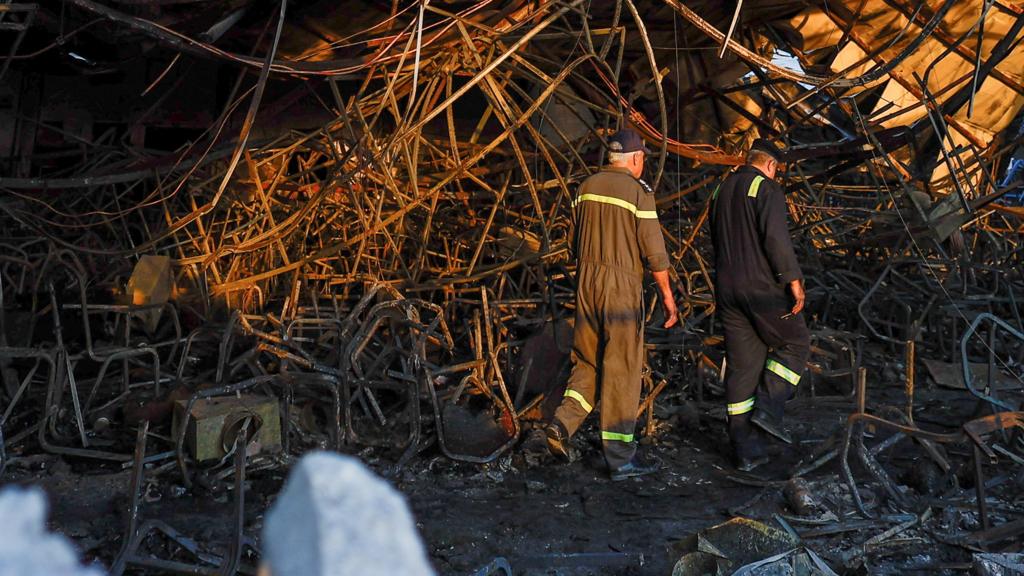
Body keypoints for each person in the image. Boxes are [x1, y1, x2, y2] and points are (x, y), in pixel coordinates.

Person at [545, 128, 678, 481]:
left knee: (588, 361)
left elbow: (572, 244)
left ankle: (562, 424)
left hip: (586, 285)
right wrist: (667, 296)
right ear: (635, 159)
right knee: (622, 367)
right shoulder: (638, 193)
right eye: (643, 158)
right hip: (620, 288)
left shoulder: (585, 188)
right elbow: (655, 253)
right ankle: (620, 457)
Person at [709, 138, 810, 472]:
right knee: (794, 343)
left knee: (743, 366)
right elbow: (775, 239)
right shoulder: (766, 189)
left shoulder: (720, 190)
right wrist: (793, 280)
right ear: (770, 166)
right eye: (776, 171)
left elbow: (716, 237)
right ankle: (767, 411)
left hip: (726, 289)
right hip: (762, 289)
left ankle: (744, 450)